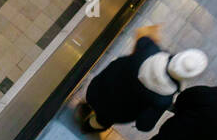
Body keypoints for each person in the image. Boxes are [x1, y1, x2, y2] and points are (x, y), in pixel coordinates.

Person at [76, 24, 207, 132]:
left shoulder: (149, 50)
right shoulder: (163, 99)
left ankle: (87, 106)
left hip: (101, 85)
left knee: (94, 98)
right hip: (115, 111)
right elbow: (144, 125)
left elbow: (143, 34)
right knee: (101, 120)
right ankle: (88, 127)